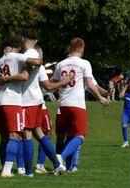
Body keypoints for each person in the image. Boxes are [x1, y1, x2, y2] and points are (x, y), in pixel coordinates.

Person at [53, 38, 109, 174]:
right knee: (80, 136)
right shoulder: (84, 63)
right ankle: (61, 158)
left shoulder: (60, 64)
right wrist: (100, 97)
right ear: (82, 49)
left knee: (70, 136)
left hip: (63, 104)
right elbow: (90, 85)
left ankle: (68, 167)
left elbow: (54, 83)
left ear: (70, 47)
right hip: (76, 104)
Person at [17, 29, 68, 177]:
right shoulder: (37, 57)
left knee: (26, 135)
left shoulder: (25, 57)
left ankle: (28, 171)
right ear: (36, 41)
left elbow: (28, 79)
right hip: (38, 101)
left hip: (27, 100)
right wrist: (63, 81)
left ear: (22, 39)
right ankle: (58, 165)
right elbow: (48, 86)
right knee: (39, 133)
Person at [0, 37, 42, 177]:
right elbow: (33, 66)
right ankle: (7, 170)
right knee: (14, 135)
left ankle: (3, 166)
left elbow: (0, 80)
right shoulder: (17, 56)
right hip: (12, 101)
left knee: (3, 139)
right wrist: (36, 61)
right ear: (17, 48)